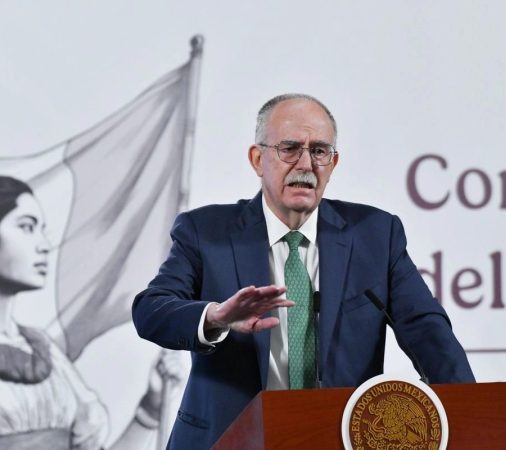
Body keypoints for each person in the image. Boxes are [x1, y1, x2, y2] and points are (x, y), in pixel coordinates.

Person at [132, 93, 475, 449]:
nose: (306, 164)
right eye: (290, 148)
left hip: (336, 439)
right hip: (227, 439)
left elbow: (427, 331)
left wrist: (471, 415)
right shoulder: (206, 233)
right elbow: (151, 310)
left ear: (333, 163)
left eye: (319, 151)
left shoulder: (376, 235)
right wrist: (216, 317)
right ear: (257, 159)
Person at [0, 175, 182, 450]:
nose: (44, 245)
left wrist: (150, 410)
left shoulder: (44, 351)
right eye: (26, 227)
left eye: (41, 230)